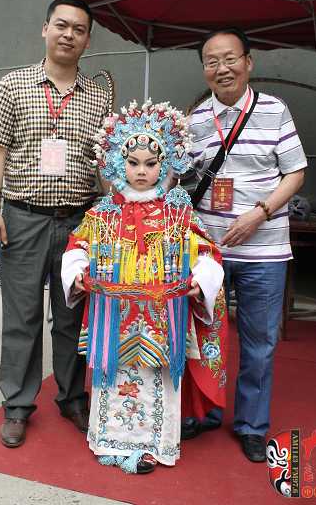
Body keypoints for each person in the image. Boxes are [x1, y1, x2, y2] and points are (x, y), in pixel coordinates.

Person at [60, 99, 226, 474]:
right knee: (113, 378)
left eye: (150, 164)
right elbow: (77, 246)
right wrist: (78, 272)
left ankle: (154, 445)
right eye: (133, 163)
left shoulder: (177, 211)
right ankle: (110, 442)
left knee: (157, 381)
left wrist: (200, 280)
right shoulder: (103, 211)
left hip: (162, 317)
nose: (140, 171)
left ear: (164, 165)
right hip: (113, 317)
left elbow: (206, 251)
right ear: (118, 163)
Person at [0, 0, 110, 448]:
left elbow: (106, 164)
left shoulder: (99, 96)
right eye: (61, 25)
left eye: (79, 29)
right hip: (23, 218)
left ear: (88, 40)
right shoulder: (13, 85)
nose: (68, 34)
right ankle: (18, 405)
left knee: (72, 315)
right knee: (23, 315)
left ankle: (73, 398)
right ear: (45, 29)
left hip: (79, 221)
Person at [187, 27, 307, 462]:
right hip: (208, 254)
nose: (222, 68)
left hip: (264, 252)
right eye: (212, 61)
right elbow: (179, 179)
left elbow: (295, 172)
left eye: (230, 58)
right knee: (203, 337)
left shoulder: (275, 109)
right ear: (204, 69)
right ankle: (203, 412)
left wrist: (260, 212)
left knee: (259, 342)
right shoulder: (194, 120)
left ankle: (252, 425)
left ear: (248, 62)